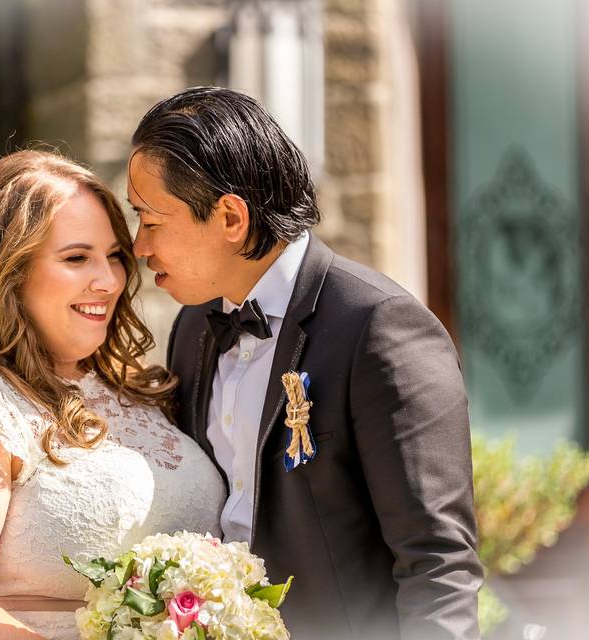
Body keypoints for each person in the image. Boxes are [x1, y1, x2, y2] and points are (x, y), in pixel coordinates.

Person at [127, 87, 484, 639]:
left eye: (151, 220)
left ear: (229, 217)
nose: (139, 246)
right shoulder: (193, 327)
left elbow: (438, 566)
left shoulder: (381, 328)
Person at [0, 150, 225, 639]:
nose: (109, 280)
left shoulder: (143, 390)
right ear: (10, 271)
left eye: (114, 255)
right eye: (76, 258)